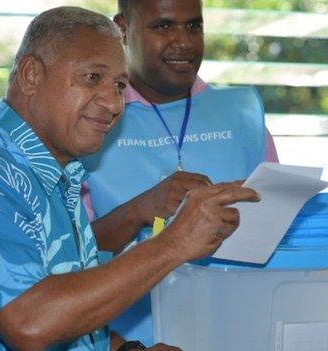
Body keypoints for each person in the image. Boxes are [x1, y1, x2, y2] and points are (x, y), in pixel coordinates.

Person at [0, 6, 259, 351]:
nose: (113, 102)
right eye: (92, 77)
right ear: (31, 75)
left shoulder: (56, 173)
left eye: (120, 85)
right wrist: (175, 243)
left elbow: (68, 312)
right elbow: (30, 323)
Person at [82, 0, 279, 345]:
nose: (184, 42)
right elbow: (63, 260)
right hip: (123, 342)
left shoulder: (244, 118)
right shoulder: (88, 122)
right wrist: (138, 211)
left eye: (193, 26)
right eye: (163, 26)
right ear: (122, 29)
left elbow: (281, 238)